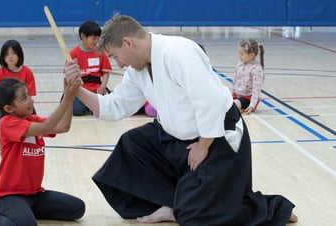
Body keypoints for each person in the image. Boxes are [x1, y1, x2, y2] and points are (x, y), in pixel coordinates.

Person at [64, 14, 297, 225]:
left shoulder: (177, 52)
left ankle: (269, 208)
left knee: (196, 216)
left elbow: (211, 102)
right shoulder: (138, 70)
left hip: (217, 137)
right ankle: (174, 201)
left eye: (115, 56)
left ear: (128, 42)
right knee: (131, 145)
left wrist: (203, 145)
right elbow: (113, 107)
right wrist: (77, 90)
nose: (119, 64)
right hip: (176, 138)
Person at [0, 77, 85, 225]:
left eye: (28, 94)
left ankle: (25, 210)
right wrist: (67, 99)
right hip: (9, 195)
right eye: (24, 98)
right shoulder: (7, 123)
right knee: (26, 225)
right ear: (8, 109)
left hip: (35, 194)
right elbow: (46, 128)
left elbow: (64, 127)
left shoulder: (31, 119)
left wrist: (69, 95)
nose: (31, 100)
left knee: (77, 208)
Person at [69, 21, 112, 116]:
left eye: (98, 38)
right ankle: (88, 106)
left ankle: (91, 106)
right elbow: (68, 75)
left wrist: (103, 86)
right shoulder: (73, 53)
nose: (96, 41)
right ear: (83, 36)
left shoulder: (100, 52)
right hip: (81, 90)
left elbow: (105, 72)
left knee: (104, 109)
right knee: (77, 111)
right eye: (93, 38)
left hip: (96, 89)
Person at [0, 39, 37, 114]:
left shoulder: (27, 72)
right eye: (7, 54)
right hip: (7, 108)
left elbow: (29, 95)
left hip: (24, 107)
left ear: (19, 54)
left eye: (13, 53)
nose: (10, 56)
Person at [232, 38, 265, 115]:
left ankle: (236, 109)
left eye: (242, 54)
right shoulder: (239, 65)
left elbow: (256, 89)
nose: (240, 56)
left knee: (233, 105)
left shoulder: (256, 69)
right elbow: (234, 82)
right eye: (239, 53)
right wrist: (231, 94)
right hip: (237, 95)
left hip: (247, 98)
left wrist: (252, 105)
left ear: (251, 55)